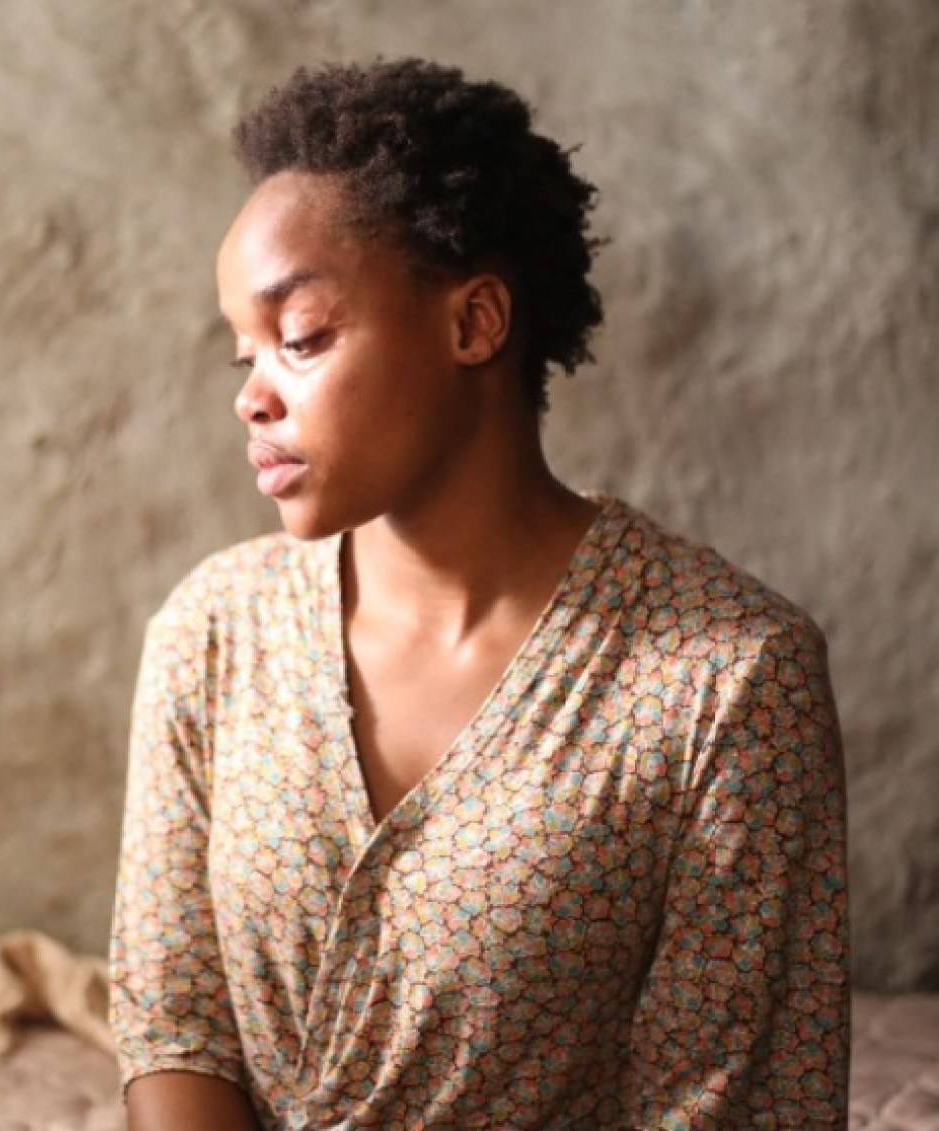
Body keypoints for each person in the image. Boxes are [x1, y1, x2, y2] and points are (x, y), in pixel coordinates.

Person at [108, 57, 849, 1130]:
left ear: (475, 323)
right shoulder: (213, 627)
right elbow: (177, 1020)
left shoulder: (727, 678)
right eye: (243, 355)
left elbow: (731, 1098)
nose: (253, 397)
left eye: (300, 337)